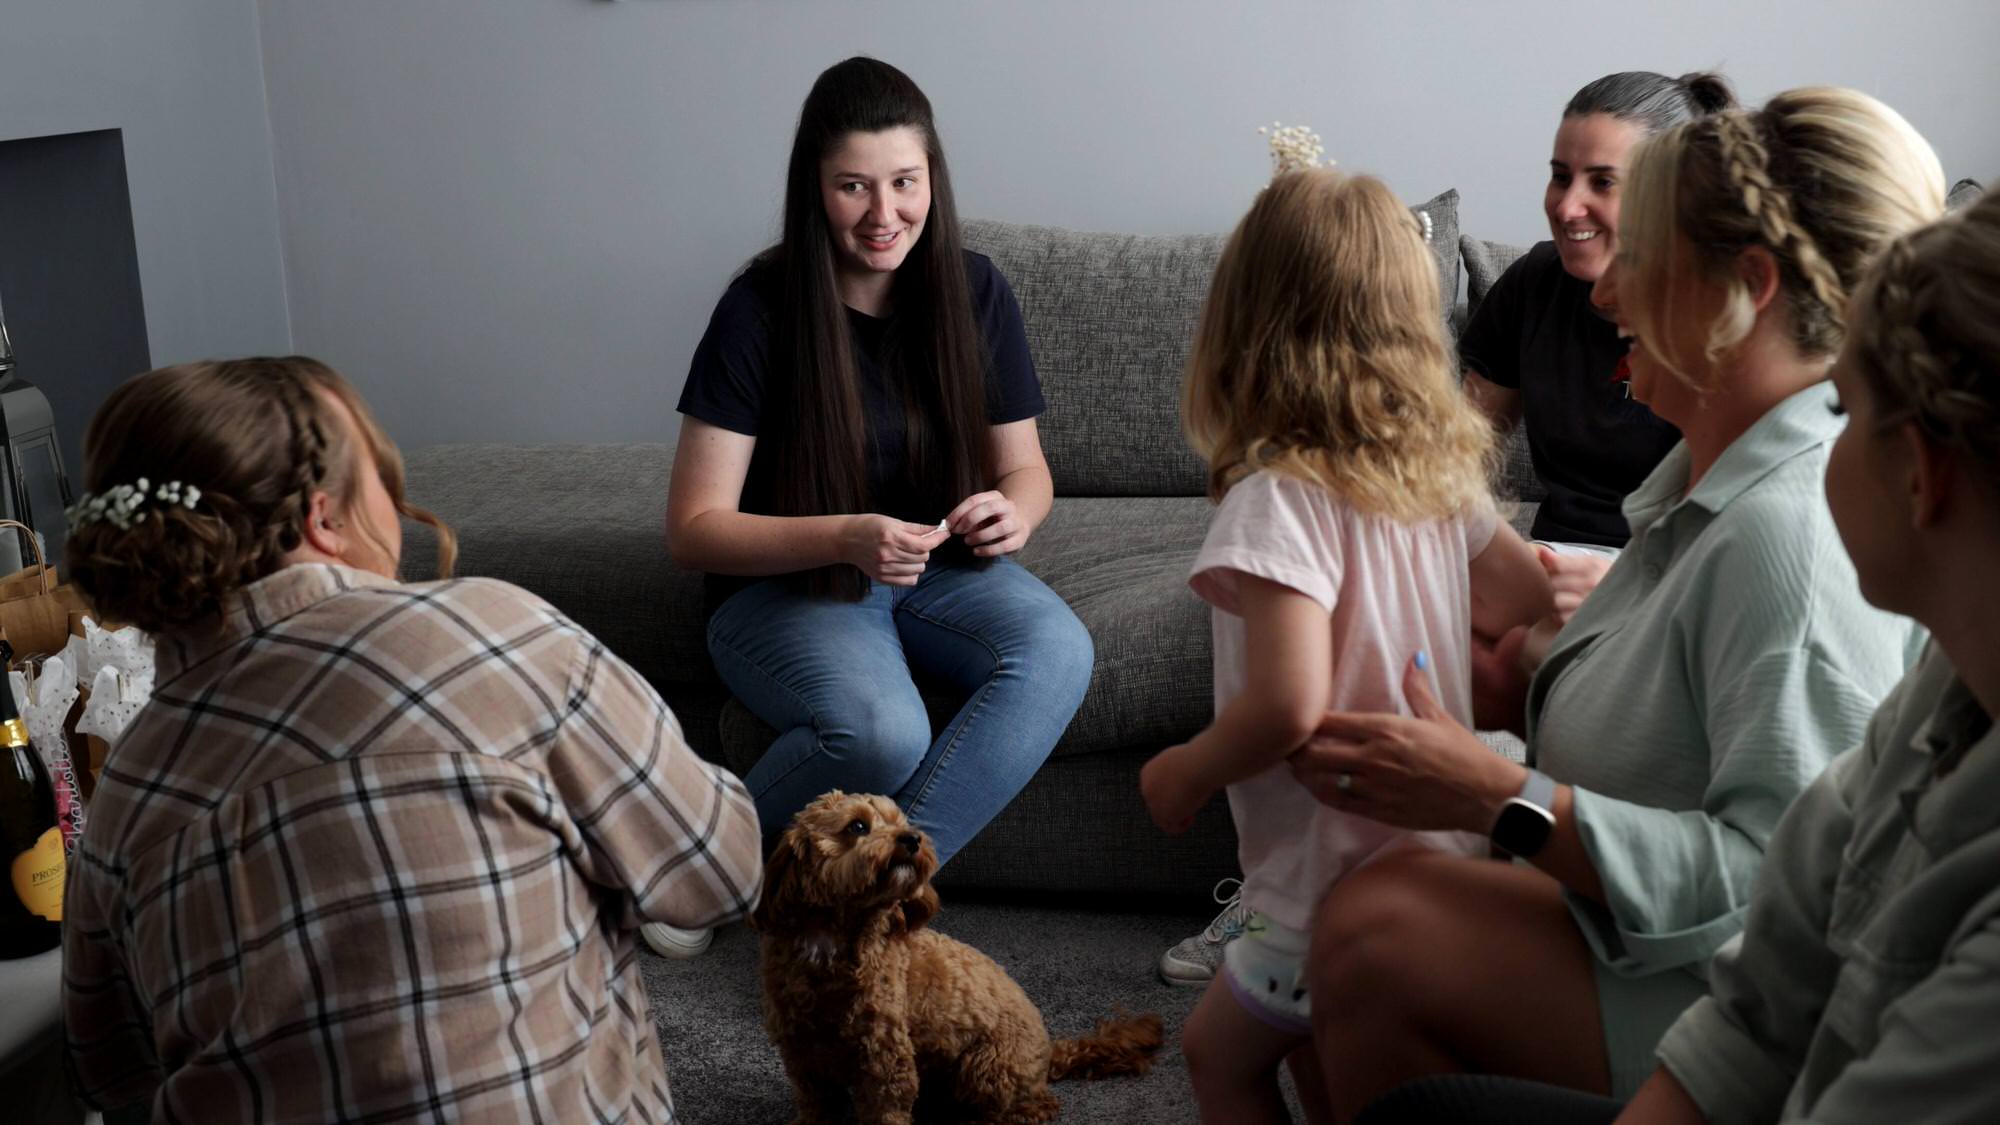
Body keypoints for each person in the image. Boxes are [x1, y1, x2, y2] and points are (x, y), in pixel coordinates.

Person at [1283, 86, 1946, 1117]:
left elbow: (1779, 891)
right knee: (1309, 990)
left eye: (1636, 254)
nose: (1600, 297)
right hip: (1633, 936)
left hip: (1744, 1013)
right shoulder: (1704, 475)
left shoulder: (1789, 537)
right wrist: (1528, 689)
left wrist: (1491, 793)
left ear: (1747, 286)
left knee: (1378, 933)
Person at [59, 358, 763, 1122]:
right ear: (323, 520)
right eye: (385, 481)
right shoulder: (496, 636)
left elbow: (112, 1073)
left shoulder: (124, 797)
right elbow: (719, 869)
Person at [1159, 70, 1735, 991]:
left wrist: (1620, 587)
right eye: (1560, 174)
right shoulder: (1535, 287)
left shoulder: (1700, 324)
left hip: (1636, 574)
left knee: (1322, 648)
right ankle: (1341, 874)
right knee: (1360, 606)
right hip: (1541, 559)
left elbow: (1706, 528)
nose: (1569, 206)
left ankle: (1311, 887)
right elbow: (1443, 444)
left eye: (1603, 182)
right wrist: (1383, 521)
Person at [1138, 169, 1554, 1124]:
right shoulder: (1439, 480)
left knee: (1220, 1057)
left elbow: (1287, 703)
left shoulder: (1274, 499)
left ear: (1248, 323)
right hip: (1433, 839)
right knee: (1335, 1061)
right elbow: (1530, 596)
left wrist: (1185, 772)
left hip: (1327, 868)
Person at [662, 57, 1092, 958]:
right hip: (795, 583)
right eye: (853, 186)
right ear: (815, 189)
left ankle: (859, 914)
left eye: (905, 182)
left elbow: (1029, 472)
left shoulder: (976, 290)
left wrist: (1016, 512)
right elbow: (693, 527)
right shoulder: (759, 308)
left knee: (1058, 651)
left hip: (939, 572)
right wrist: (850, 536)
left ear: (932, 177)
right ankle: (695, 867)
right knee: (881, 731)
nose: (883, 213)